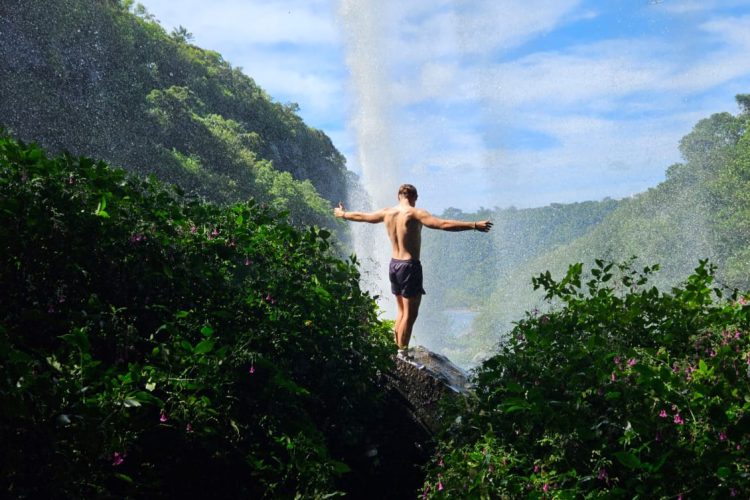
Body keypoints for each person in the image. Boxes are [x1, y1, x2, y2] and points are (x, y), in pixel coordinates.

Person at [334, 184, 493, 358]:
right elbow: (443, 224)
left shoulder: (387, 212)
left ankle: (394, 350)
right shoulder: (415, 213)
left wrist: (343, 214)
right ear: (415, 197)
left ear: (398, 196)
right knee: (410, 315)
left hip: (394, 265)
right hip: (409, 266)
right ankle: (402, 354)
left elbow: (363, 216)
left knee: (401, 312)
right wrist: (474, 224)